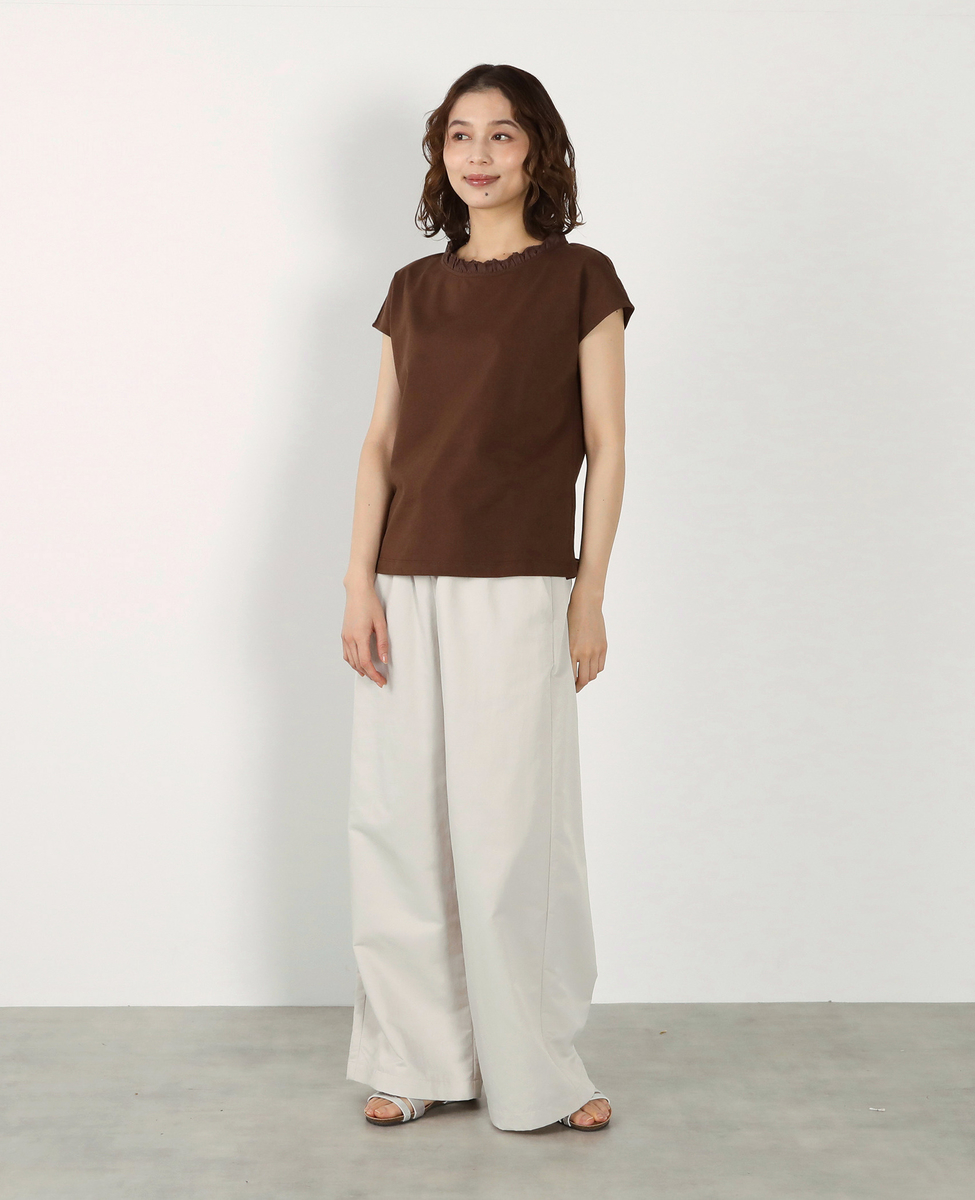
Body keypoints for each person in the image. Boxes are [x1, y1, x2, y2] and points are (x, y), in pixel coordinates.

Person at [341, 63, 634, 1133]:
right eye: (460, 135)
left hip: (519, 582)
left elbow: (607, 447)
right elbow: (381, 444)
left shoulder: (582, 279)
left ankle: (539, 1068)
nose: (478, 154)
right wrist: (357, 580)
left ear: (537, 151)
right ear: (441, 153)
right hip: (406, 578)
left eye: (501, 135)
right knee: (401, 825)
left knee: (513, 832)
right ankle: (415, 1059)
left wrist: (589, 593)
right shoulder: (412, 290)